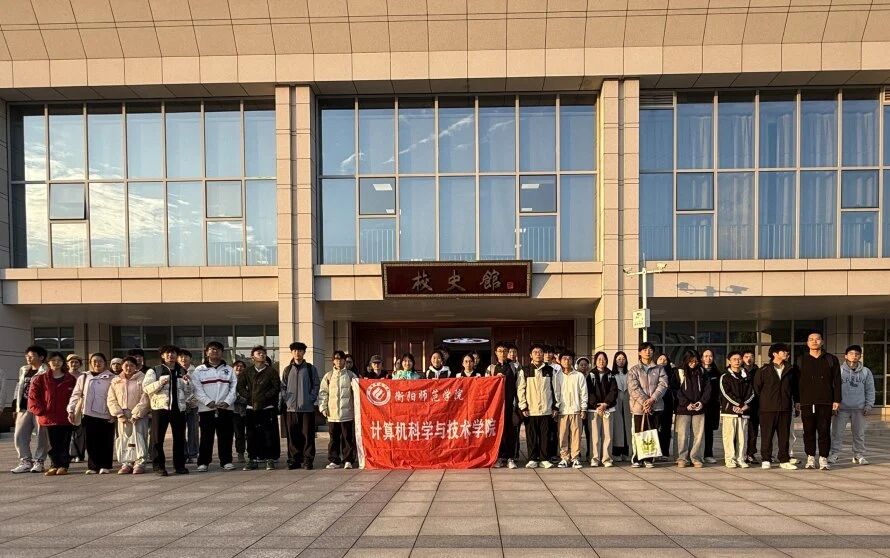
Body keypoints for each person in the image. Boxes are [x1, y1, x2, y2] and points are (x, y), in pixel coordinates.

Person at [143, 345, 192, 476]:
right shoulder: (155, 370)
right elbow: (146, 388)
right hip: (160, 408)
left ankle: (179, 466)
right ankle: (159, 467)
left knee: (180, 439)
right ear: (162, 356)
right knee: (157, 439)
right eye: (168, 353)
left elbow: (189, 392)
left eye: (173, 353)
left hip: (178, 409)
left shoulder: (182, 371)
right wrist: (160, 383)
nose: (171, 355)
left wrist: (188, 383)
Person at [796, 330, 841, 471]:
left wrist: (837, 400)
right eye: (811, 339)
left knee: (824, 431)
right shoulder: (801, 360)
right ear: (807, 343)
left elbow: (837, 381)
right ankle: (810, 457)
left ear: (822, 341)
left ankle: (823, 458)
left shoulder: (831, 359)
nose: (814, 341)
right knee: (808, 431)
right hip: (807, 401)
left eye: (817, 339)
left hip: (825, 401)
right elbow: (796, 382)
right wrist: (797, 400)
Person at [27, 352, 76, 477]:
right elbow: (33, 397)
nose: (56, 362)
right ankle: (54, 465)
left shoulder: (70, 379)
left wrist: (73, 411)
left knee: (65, 442)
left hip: (66, 417)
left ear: (63, 363)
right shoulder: (40, 379)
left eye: (59, 360)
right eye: (53, 360)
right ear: (48, 362)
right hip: (48, 417)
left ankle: (63, 466)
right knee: (51, 443)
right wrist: (40, 411)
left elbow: (76, 396)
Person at [192, 341, 237, 472]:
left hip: (225, 408)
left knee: (226, 436)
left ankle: (226, 461)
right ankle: (203, 462)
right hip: (207, 409)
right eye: (212, 349)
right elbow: (197, 389)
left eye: (218, 349)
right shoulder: (199, 370)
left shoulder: (229, 370)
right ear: (206, 352)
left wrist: (227, 402)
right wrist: (207, 401)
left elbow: (234, 388)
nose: (215, 351)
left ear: (222, 352)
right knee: (206, 437)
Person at [67, 353, 116, 474]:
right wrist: (71, 409)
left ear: (105, 363)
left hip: (106, 413)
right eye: (94, 361)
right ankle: (93, 466)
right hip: (88, 413)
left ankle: (105, 465)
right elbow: (76, 394)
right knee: (91, 441)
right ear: (90, 363)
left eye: (100, 361)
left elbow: (116, 396)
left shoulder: (113, 377)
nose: (97, 363)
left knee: (106, 440)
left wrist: (114, 413)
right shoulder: (84, 377)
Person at [754, 343, 798, 470]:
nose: (786, 353)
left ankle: (784, 459)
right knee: (767, 435)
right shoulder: (763, 370)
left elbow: (795, 388)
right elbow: (757, 389)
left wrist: (797, 402)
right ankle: (766, 459)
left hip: (785, 408)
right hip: (767, 409)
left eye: (786, 351)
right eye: (783, 351)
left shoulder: (791, 370)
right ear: (774, 354)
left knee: (784, 436)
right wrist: (762, 405)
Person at [829, 344, 874, 466]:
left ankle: (858, 455)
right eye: (851, 353)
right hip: (841, 408)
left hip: (859, 409)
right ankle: (834, 454)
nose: (854, 356)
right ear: (845, 356)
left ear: (860, 356)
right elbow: (832, 388)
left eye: (857, 354)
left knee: (859, 434)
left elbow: (870, 390)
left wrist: (869, 405)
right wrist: (833, 404)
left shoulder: (866, 372)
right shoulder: (839, 370)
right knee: (837, 433)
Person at [240, 345, 281, 471]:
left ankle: (269, 459)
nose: (262, 355)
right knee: (251, 434)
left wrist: (265, 397)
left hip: (267, 407)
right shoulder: (247, 372)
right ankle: (252, 459)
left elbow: (276, 387)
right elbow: (240, 387)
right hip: (251, 407)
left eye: (263, 353)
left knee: (268, 434)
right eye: (259, 353)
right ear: (252, 357)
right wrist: (250, 397)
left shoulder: (271, 371)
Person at [107, 356, 151, 474]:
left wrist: (137, 414)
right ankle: (126, 463)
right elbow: (111, 399)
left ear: (136, 367)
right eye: (126, 365)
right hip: (123, 414)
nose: (128, 368)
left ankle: (140, 462)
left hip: (139, 414)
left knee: (140, 437)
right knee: (124, 438)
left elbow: (146, 397)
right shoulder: (116, 381)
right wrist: (119, 414)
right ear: (122, 366)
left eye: (132, 365)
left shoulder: (143, 379)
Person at [628, 342, 668, 468]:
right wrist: (645, 401)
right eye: (645, 350)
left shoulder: (659, 369)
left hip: (655, 406)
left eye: (650, 350)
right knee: (639, 432)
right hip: (639, 407)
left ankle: (649, 459)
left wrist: (652, 400)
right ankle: (638, 458)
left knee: (652, 432)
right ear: (640, 352)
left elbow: (663, 385)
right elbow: (633, 388)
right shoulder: (634, 370)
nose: (648, 352)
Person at [281, 341, 320, 470]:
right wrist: (287, 399)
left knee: (308, 435)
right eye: (295, 351)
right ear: (292, 352)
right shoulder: (287, 369)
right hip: (291, 409)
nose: (297, 353)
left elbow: (316, 385)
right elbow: (283, 386)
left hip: (307, 408)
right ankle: (294, 460)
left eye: (300, 351)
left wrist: (310, 398)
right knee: (292, 436)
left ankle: (308, 460)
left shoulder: (310, 368)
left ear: (304, 352)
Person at [518, 343, 557, 469]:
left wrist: (555, 406)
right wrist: (523, 406)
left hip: (546, 409)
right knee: (531, 436)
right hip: (531, 409)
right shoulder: (525, 370)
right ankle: (532, 459)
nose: (538, 354)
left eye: (540, 352)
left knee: (545, 436)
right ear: (531, 355)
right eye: (535, 352)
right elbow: (521, 389)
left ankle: (544, 459)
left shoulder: (550, 370)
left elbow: (555, 389)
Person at [11, 345, 49, 474]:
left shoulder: (46, 371)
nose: (28, 358)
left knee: (41, 436)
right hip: (23, 407)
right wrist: (15, 405)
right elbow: (19, 387)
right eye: (27, 356)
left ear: (41, 357)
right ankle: (25, 461)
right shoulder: (24, 370)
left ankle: (39, 461)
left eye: (31, 356)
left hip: (39, 408)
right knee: (19, 435)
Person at [319, 351, 358, 469]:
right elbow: (323, 393)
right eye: (336, 359)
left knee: (347, 438)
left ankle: (348, 460)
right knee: (333, 438)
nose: (339, 361)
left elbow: (357, 393)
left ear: (344, 361)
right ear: (333, 361)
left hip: (347, 413)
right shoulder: (328, 376)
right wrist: (323, 407)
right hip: (333, 414)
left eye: (341, 359)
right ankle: (334, 460)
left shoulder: (351, 375)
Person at [673, 350, 711, 468]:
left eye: (695, 361)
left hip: (699, 408)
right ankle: (682, 458)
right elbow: (675, 389)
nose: (693, 364)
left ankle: (696, 457)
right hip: (683, 408)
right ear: (686, 360)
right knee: (682, 434)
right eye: (691, 361)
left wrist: (702, 402)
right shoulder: (679, 372)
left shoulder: (702, 372)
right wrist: (686, 403)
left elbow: (707, 389)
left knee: (698, 435)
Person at [719, 351, 754, 469]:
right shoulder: (725, 376)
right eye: (734, 359)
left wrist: (745, 405)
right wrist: (739, 404)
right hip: (730, 412)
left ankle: (741, 459)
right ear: (729, 361)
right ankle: (730, 459)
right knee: (729, 437)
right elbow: (725, 393)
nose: (737, 361)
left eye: (739, 359)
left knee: (742, 437)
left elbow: (752, 392)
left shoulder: (747, 376)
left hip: (744, 412)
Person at [488, 341, 519, 469]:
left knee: (510, 431)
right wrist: (494, 379)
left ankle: (510, 457)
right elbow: (486, 386)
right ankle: (500, 457)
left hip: (510, 404)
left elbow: (519, 386)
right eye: (500, 351)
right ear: (496, 353)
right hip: (496, 406)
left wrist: (518, 404)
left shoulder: (514, 367)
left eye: (505, 351)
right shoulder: (491, 368)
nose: (503, 353)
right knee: (497, 431)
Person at [553, 350, 587, 469]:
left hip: (576, 410)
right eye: (564, 359)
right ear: (560, 361)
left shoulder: (579, 376)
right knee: (562, 436)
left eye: (569, 359)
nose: (567, 361)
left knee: (576, 436)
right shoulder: (557, 376)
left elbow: (583, 393)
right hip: (562, 411)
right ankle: (564, 458)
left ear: (572, 361)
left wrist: (583, 408)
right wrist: (556, 407)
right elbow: (556, 393)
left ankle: (575, 458)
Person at [586, 353, 617, 467]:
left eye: (604, 359)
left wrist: (606, 404)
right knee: (594, 436)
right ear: (595, 361)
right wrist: (596, 405)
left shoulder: (611, 374)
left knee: (607, 435)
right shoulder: (590, 375)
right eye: (599, 359)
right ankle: (594, 458)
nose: (601, 361)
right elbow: (589, 391)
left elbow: (614, 391)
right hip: (594, 410)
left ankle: (607, 459)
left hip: (608, 409)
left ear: (607, 361)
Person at [177, 349, 199, 465]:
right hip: (179, 405)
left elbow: (199, 389)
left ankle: (193, 453)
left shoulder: (196, 372)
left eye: (186, 356)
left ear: (190, 358)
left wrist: (190, 401)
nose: (183, 358)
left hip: (193, 405)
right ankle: (184, 453)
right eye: (180, 356)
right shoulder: (174, 371)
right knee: (180, 430)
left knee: (193, 430)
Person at [701, 348, 721, 464]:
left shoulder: (716, 373)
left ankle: (708, 454)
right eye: (706, 356)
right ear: (701, 358)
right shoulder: (698, 371)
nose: (708, 358)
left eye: (710, 356)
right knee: (698, 432)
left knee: (709, 431)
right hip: (699, 405)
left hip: (712, 406)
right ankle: (697, 454)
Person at [610, 351, 631, 461]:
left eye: (623, 359)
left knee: (627, 427)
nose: (621, 361)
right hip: (616, 402)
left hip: (628, 402)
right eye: (619, 359)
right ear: (615, 360)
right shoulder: (611, 374)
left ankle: (627, 452)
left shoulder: (630, 373)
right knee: (617, 427)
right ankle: (617, 453)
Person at [66, 353, 87, 464]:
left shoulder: (84, 376)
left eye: (76, 362)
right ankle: (67, 454)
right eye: (72, 362)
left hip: (79, 406)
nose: (74, 364)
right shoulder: (63, 375)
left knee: (79, 432)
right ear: (67, 364)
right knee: (66, 432)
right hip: (65, 405)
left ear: (80, 364)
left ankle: (78, 454)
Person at [741, 350, 760, 464]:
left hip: (755, 405)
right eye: (746, 356)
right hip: (741, 405)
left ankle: (751, 453)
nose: (749, 359)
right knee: (740, 431)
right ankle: (740, 453)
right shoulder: (739, 370)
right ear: (742, 358)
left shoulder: (758, 371)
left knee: (753, 431)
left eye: (751, 356)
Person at [656, 354, 675, 461]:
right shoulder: (653, 371)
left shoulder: (672, 373)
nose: (663, 361)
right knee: (655, 427)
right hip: (655, 402)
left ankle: (665, 452)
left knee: (666, 428)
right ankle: (655, 452)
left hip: (667, 403)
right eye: (660, 359)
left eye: (665, 359)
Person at [232, 360, 248, 463]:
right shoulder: (231, 381)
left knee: (249, 433)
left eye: (241, 366)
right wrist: (248, 399)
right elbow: (233, 396)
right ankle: (240, 453)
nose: (239, 368)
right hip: (235, 412)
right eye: (237, 366)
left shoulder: (248, 379)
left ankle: (251, 453)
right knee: (239, 434)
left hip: (247, 410)